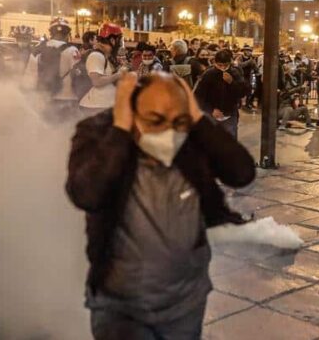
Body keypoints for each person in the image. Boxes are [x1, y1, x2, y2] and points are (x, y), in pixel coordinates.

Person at [66, 71, 255, 340]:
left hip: (186, 301)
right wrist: (121, 127)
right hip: (122, 307)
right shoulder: (99, 133)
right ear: (131, 112)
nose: (167, 132)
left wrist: (197, 117)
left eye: (177, 121)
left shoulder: (189, 137)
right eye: (154, 121)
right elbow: (86, 193)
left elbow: (241, 173)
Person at [194, 49, 249, 140]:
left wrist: (231, 82)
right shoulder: (209, 74)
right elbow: (198, 96)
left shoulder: (235, 72)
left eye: (226, 65)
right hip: (210, 114)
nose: (223, 68)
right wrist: (211, 110)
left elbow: (242, 92)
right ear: (215, 62)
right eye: (220, 65)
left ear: (230, 63)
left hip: (230, 113)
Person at [31, 18, 82, 113]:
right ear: (67, 33)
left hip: (44, 97)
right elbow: (78, 74)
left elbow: (32, 74)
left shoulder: (38, 48)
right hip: (67, 98)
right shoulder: (72, 50)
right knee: (66, 127)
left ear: (51, 33)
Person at [79, 23, 125, 114]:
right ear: (112, 40)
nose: (120, 44)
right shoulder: (96, 56)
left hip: (104, 106)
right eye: (120, 40)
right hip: (96, 107)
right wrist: (119, 74)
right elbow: (97, 81)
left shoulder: (107, 56)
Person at [278, 64, 315, 130]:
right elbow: (288, 93)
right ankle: (282, 125)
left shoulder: (291, 82)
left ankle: (308, 124)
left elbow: (297, 91)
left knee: (304, 108)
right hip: (281, 111)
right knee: (288, 109)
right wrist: (300, 87)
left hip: (291, 111)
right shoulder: (282, 89)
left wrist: (302, 88)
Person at [237, 45, 258, 110]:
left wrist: (254, 63)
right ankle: (239, 103)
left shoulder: (251, 58)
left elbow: (255, 68)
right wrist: (249, 62)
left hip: (248, 76)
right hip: (241, 76)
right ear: (244, 51)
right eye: (247, 50)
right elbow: (240, 65)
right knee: (240, 91)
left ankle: (248, 103)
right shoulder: (240, 57)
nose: (249, 52)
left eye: (249, 51)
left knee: (249, 91)